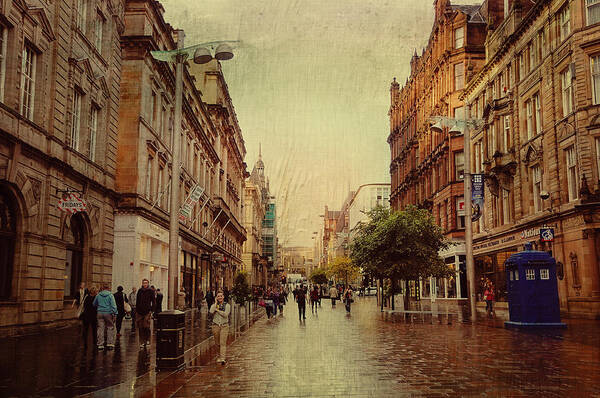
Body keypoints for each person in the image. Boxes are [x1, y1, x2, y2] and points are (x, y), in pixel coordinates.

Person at [93, 283, 118, 350]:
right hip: (108, 313)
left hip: (100, 312)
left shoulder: (98, 295)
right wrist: (115, 313)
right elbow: (114, 305)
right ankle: (110, 344)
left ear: (102, 288)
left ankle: (100, 344)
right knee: (110, 327)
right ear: (108, 288)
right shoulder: (110, 295)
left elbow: (94, 304)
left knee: (100, 328)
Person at [209, 290, 231, 365]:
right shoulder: (214, 305)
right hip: (215, 326)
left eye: (221, 296)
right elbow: (211, 311)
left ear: (223, 297)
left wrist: (217, 311)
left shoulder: (227, 305)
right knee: (217, 343)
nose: (220, 297)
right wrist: (215, 303)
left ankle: (222, 358)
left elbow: (225, 314)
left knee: (222, 342)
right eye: (218, 296)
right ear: (216, 297)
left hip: (224, 326)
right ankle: (219, 356)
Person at [136, 279, 155, 349]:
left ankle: (147, 340)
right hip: (140, 312)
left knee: (146, 326)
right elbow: (137, 301)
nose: (145, 284)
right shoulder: (140, 291)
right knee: (140, 327)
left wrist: (152, 310)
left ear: (148, 284)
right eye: (143, 283)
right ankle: (141, 341)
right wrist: (137, 310)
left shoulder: (150, 291)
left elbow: (153, 301)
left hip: (147, 311)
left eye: (146, 283)